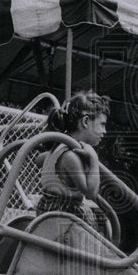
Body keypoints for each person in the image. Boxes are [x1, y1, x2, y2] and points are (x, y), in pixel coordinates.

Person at [36, 91, 110, 230]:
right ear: (86, 121)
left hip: (49, 213)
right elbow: (90, 192)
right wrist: (94, 159)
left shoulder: (59, 148)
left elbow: (39, 160)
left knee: (101, 217)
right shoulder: (70, 156)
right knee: (102, 223)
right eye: (102, 124)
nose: (104, 131)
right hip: (64, 220)